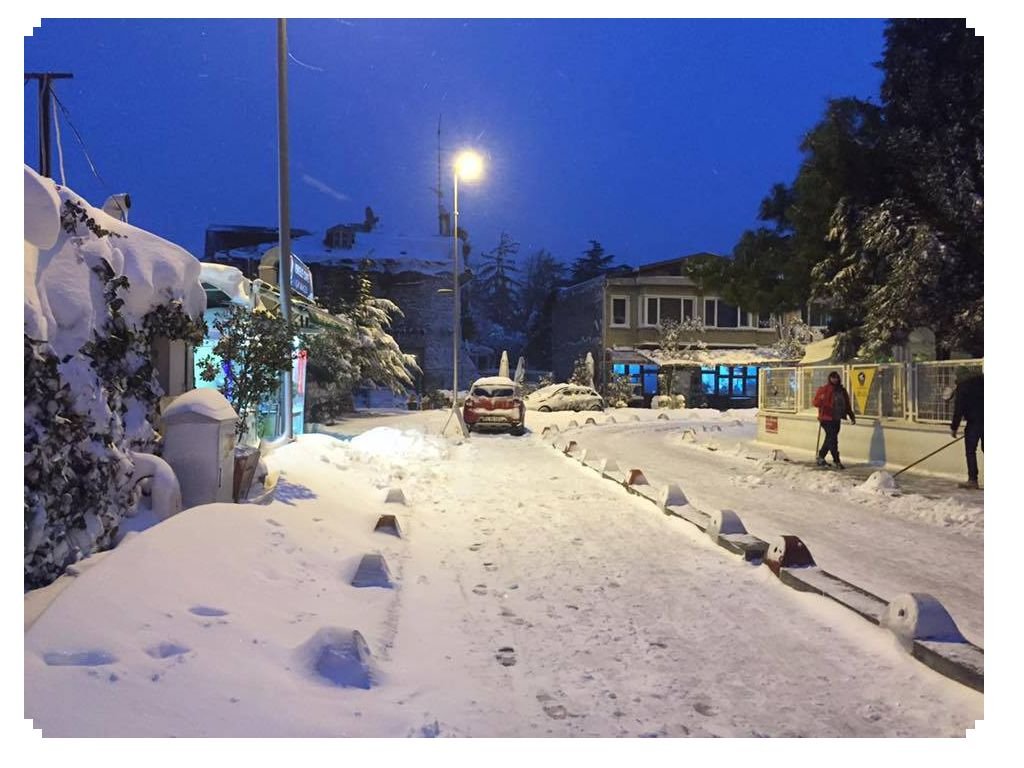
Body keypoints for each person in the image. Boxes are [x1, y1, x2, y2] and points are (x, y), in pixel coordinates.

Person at [813, 370, 856, 469]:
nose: (834, 379)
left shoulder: (842, 390)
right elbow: (815, 402)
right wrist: (821, 400)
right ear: (829, 378)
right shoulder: (824, 389)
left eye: (836, 377)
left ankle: (821, 457)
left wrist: (851, 415)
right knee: (833, 438)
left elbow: (847, 404)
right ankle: (836, 460)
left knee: (830, 438)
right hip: (826, 418)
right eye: (832, 377)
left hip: (836, 418)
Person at [951, 372, 984, 490]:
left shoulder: (963, 387)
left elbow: (958, 409)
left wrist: (954, 427)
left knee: (970, 451)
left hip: (973, 423)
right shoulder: (983, 381)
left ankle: (973, 480)